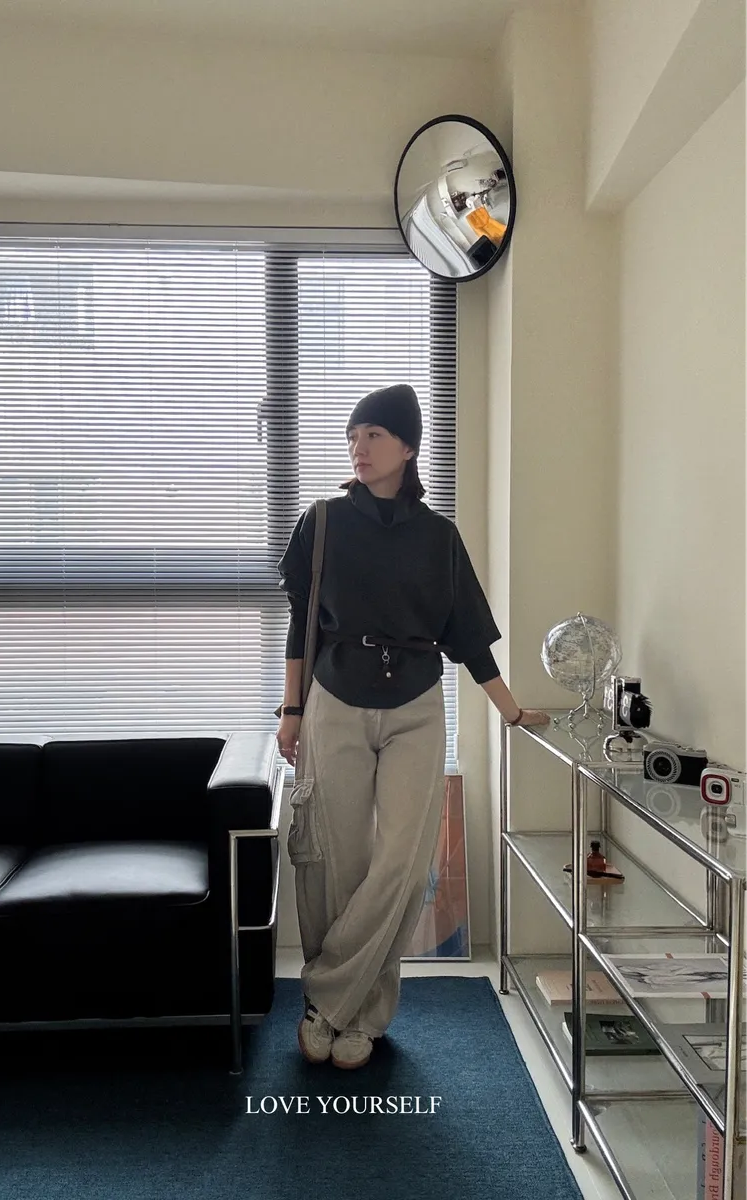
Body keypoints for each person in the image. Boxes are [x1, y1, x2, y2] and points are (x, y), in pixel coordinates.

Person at [276, 383, 549, 1071]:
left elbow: (469, 637)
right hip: (335, 697)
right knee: (337, 863)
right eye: (353, 436)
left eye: (373, 434)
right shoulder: (322, 522)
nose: (358, 448)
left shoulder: (438, 537)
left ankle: (330, 1002)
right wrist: (291, 710)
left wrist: (510, 710)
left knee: (400, 862)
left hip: (417, 706)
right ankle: (356, 1011)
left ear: (407, 446)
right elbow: (300, 624)